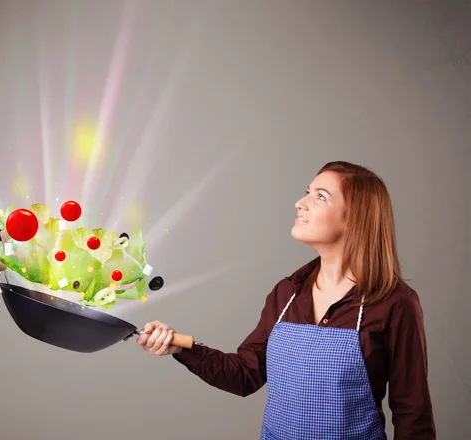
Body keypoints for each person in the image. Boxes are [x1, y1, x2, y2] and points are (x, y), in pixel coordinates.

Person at [137, 161, 436, 440]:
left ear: (356, 216)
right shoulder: (286, 293)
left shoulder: (395, 303)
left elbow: (413, 414)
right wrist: (180, 346)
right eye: (307, 192)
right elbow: (245, 374)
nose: (300, 202)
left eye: (320, 196)